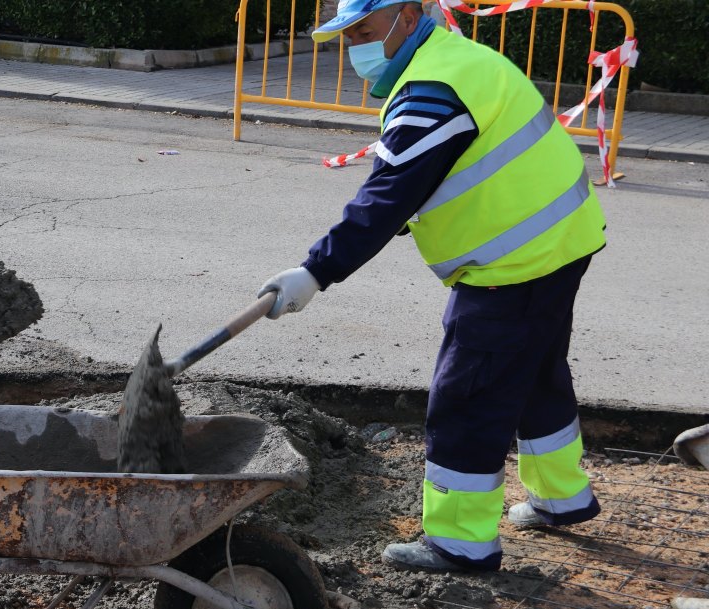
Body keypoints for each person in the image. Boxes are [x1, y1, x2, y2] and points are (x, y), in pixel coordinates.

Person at [257, 0, 606, 572]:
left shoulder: (431, 91)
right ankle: (562, 498)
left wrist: (315, 271)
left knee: (467, 397)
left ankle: (460, 542)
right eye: (348, 37)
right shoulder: (455, 59)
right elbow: (438, 174)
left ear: (408, 14)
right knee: (535, 372)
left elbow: (388, 196)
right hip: (561, 242)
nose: (356, 48)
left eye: (365, 32)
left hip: (513, 265)